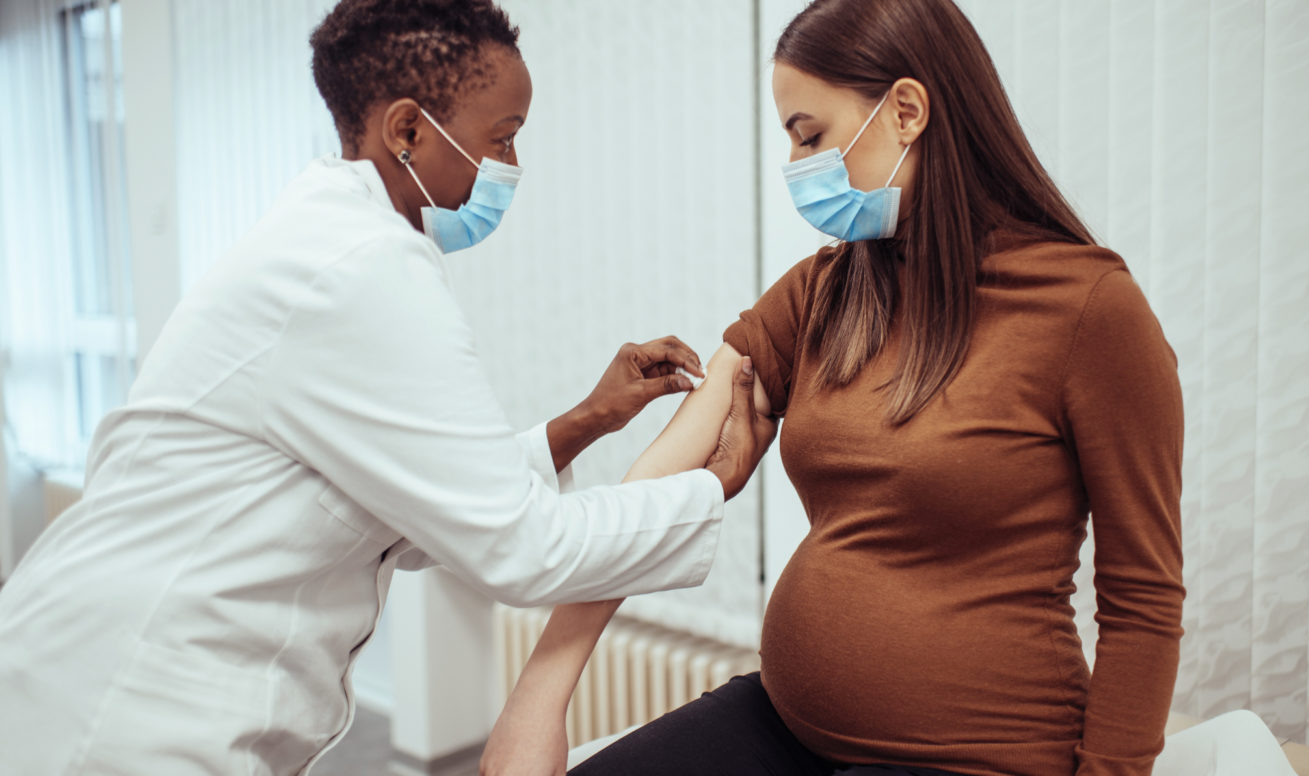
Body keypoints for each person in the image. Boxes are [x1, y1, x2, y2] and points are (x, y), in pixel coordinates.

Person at [0, 1, 774, 773]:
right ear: (407, 130)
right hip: (124, 703)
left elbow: (415, 512)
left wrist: (586, 420)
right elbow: (520, 548)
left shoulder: (337, 247)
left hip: (130, 669)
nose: (511, 167)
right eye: (501, 139)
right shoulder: (359, 271)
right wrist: (715, 484)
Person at [480, 1, 1185, 775]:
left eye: (810, 135)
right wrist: (539, 696)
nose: (796, 165)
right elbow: (663, 471)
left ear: (907, 110)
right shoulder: (829, 288)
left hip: (975, 755)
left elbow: (1143, 598)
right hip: (787, 725)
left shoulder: (1087, 309)